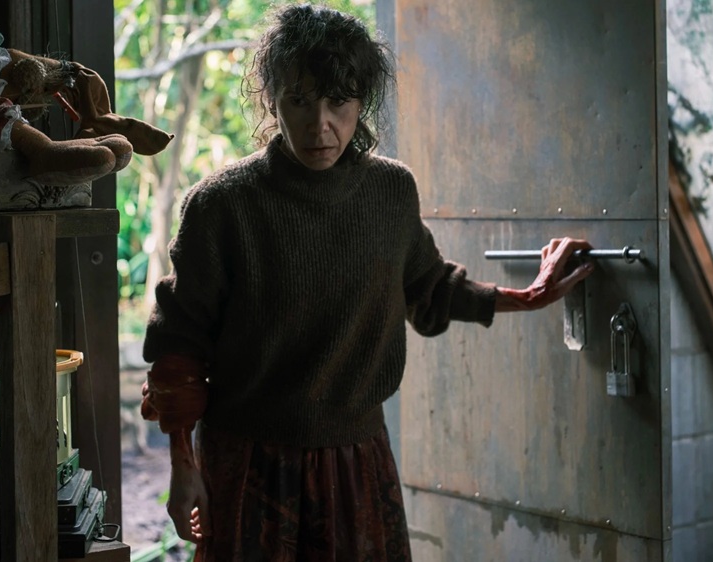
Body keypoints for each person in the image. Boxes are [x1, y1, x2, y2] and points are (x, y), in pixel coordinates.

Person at [140, 4, 595, 561]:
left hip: (357, 461)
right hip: (248, 463)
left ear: (362, 102)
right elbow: (179, 346)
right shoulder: (223, 205)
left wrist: (528, 296)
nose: (319, 125)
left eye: (339, 101)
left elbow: (429, 287)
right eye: (300, 101)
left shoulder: (390, 192)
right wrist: (183, 469)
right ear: (272, 100)